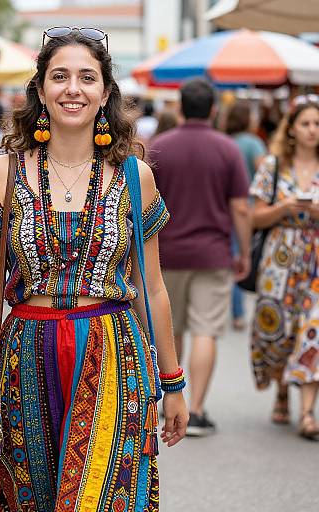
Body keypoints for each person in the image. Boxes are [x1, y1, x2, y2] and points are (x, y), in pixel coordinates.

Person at [0, 28, 188, 511]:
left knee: (100, 500)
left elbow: (154, 289)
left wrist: (173, 383)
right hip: (25, 356)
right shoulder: (4, 173)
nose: (72, 89)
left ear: (105, 94)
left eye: (86, 77)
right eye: (59, 76)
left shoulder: (137, 178)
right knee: (28, 499)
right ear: (39, 90)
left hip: (113, 353)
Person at [150, 78, 251, 437]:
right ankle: (196, 408)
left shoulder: (159, 147)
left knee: (169, 328)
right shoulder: (227, 149)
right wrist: (244, 251)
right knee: (206, 330)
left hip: (165, 253)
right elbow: (239, 207)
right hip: (212, 253)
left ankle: (169, 405)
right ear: (213, 109)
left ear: (180, 106)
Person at [250, 94, 319, 439]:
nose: (312, 130)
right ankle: (280, 390)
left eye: (317, 124)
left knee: (313, 329)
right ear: (291, 129)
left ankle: (307, 413)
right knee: (276, 329)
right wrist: (286, 207)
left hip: (316, 258)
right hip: (280, 258)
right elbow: (255, 216)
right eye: (305, 123)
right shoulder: (273, 165)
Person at [225, 100, 267, 330]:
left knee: (231, 256)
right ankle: (238, 312)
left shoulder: (226, 141)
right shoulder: (254, 143)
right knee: (243, 256)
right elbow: (264, 172)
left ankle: (235, 308)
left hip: (224, 207)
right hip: (248, 207)